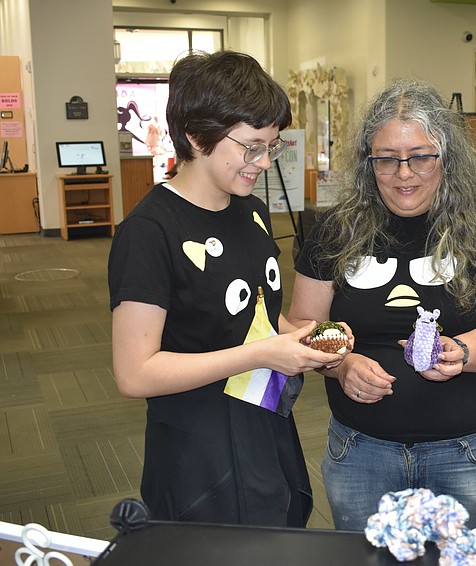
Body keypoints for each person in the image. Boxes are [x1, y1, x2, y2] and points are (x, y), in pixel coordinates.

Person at [107, 50, 348, 527]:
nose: (262, 162)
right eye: (251, 146)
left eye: (272, 146)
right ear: (196, 136)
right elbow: (134, 373)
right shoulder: (150, 232)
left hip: (265, 419)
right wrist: (263, 354)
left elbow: (259, 314)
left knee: (280, 531)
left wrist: (310, 337)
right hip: (199, 445)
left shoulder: (248, 211)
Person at [289, 77, 476, 533]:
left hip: (465, 454)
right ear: (369, 163)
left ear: (446, 157)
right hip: (361, 451)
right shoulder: (335, 231)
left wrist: (463, 352)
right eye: (386, 159)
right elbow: (302, 324)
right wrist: (340, 364)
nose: (404, 174)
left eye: (420, 157)